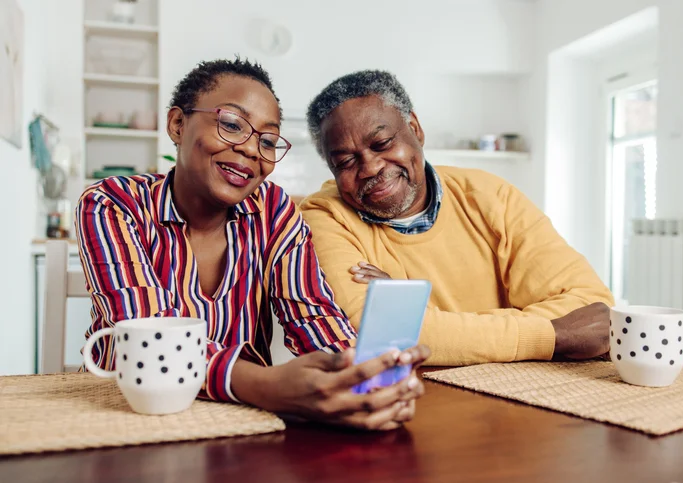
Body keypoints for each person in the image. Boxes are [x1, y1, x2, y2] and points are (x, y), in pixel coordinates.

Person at [75, 59, 428, 430]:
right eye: (230, 125)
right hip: (121, 411)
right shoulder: (113, 205)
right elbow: (155, 343)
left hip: (238, 419)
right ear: (178, 124)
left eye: (268, 140)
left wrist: (360, 374)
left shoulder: (274, 211)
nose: (250, 150)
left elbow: (313, 316)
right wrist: (265, 385)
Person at [300, 70, 614, 366]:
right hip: (417, 399)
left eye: (382, 144)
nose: (369, 168)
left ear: (415, 129)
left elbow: (593, 309)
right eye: (345, 161)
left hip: (526, 392)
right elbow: (371, 335)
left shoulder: (490, 195)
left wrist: (416, 314)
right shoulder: (323, 217)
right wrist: (552, 335)